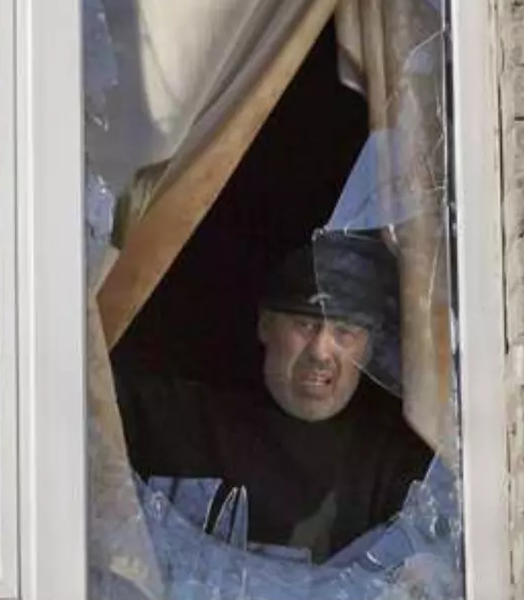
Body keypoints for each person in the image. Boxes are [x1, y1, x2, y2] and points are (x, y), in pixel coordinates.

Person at [115, 230, 434, 564]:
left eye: (344, 332)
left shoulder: (397, 463)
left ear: (368, 350)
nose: (321, 352)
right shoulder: (180, 420)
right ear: (265, 326)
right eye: (305, 324)